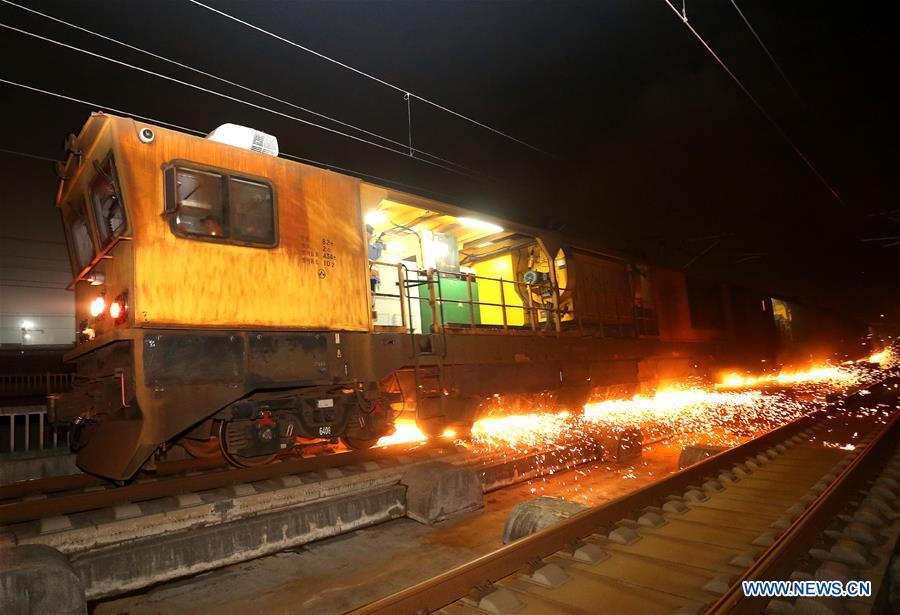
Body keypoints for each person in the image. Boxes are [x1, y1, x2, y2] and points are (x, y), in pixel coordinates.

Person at [367, 224, 385, 318]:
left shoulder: (368, 246)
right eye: (370, 234)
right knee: (369, 296)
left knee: (371, 296)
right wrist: (379, 243)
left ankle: (370, 311)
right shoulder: (366, 246)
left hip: (371, 275)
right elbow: (374, 254)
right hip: (368, 275)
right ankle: (370, 312)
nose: (371, 236)